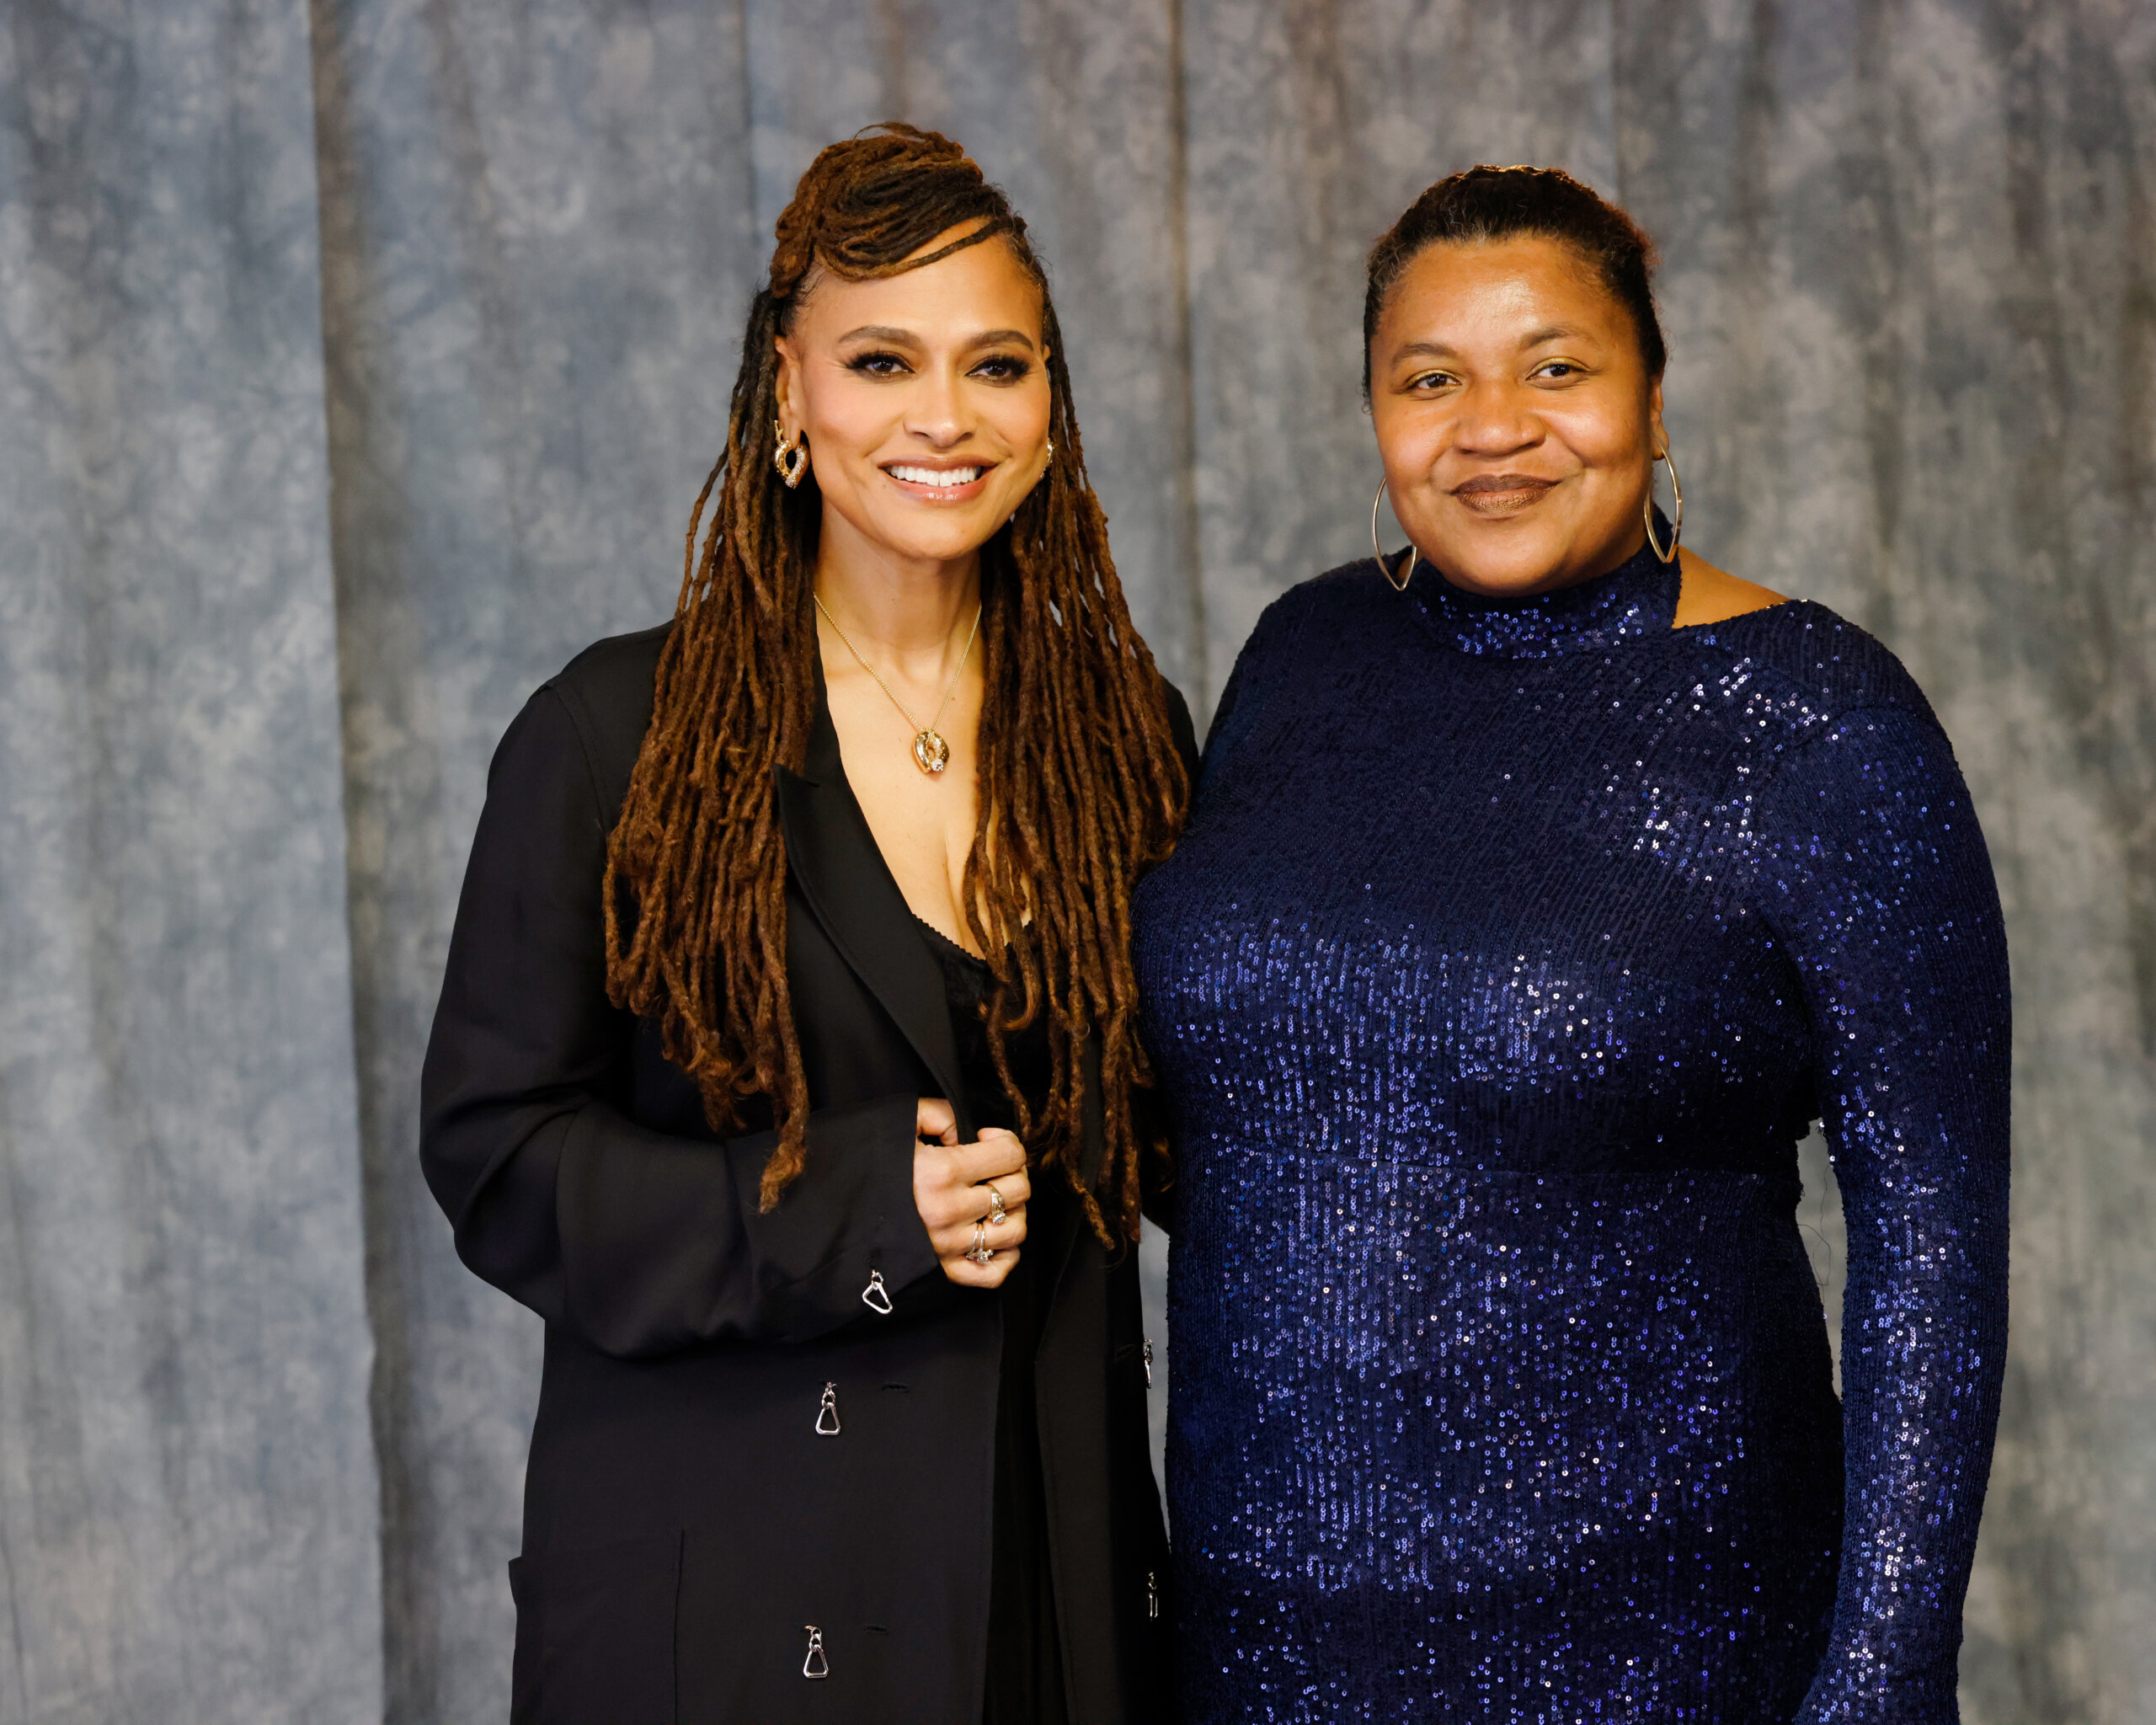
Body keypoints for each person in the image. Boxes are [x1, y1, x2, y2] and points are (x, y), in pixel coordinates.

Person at [1134, 165, 2009, 1722]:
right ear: (1376, 418)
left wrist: (1883, 1678)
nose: (1493, 427)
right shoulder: (1300, 653)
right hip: (1256, 1642)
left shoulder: (1815, 720)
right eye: (1431, 379)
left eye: (1556, 368)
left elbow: (1931, 1252)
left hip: (1655, 1639)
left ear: (1654, 402)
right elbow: (1238, 1108)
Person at [422, 125, 1193, 1725]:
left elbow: (1193, 1124)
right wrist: (844, 1214)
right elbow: (495, 1158)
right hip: (743, 1603)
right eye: (880, 358)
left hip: (1050, 1581)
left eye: (997, 364)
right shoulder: (613, 738)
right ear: (789, 392)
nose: (942, 416)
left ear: (1050, 405)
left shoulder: (1126, 733)